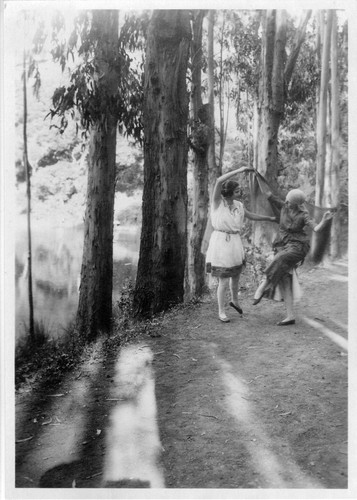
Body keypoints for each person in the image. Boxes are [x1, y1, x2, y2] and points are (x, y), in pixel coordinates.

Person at [252, 188, 333, 325]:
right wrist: (255, 175)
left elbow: (316, 228)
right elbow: (268, 193)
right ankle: (290, 316)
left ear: (296, 204)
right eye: (287, 201)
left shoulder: (303, 214)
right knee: (285, 280)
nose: (287, 203)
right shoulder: (284, 206)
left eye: (290, 202)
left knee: (279, 258)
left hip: (298, 247)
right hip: (284, 245)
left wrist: (324, 221)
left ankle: (263, 285)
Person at [206, 167, 277, 323]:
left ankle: (235, 301)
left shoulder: (238, 205)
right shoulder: (217, 203)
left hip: (235, 242)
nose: (241, 192)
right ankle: (221, 311)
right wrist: (242, 169)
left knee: (236, 275)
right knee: (223, 279)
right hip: (221, 243)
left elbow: (250, 215)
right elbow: (219, 181)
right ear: (229, 192)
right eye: (237, 190)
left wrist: (269, 218)